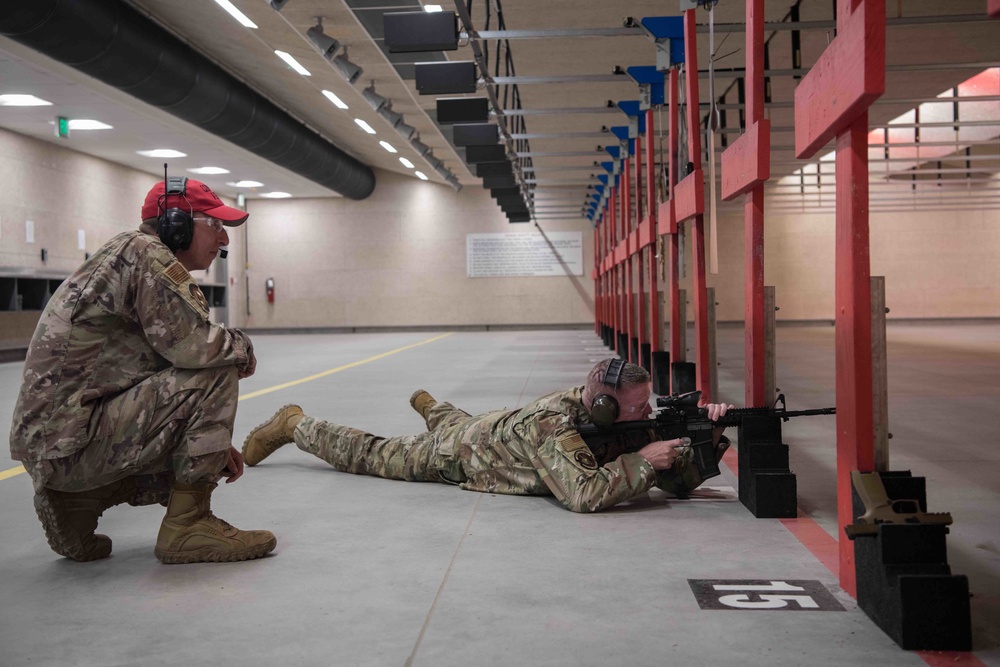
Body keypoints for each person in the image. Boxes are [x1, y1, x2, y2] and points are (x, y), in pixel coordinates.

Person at [9, 177, 276, 564]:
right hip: (74, 445)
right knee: (217, 370)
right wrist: (244, 349)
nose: (224, 240)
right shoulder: (149, 256)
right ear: (176, 225)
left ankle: (76, 503)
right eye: (215, 226)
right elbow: (194, 348)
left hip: (60, 444)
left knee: (204, 394)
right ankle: (189, 526)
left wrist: (211, 444)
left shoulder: (129, 254)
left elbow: (157, 368)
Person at [242, 359, 733, 513]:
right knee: (375, 454)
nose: (647, 413)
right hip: (459, 455)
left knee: (457, 420)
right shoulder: (552, 426)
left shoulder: (610, 417)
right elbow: (584, 494)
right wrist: (646, 459)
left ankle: (433, 407)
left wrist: (707, 437)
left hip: (487, 430)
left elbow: (673, 483)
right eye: (638, 408)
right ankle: (296, 424)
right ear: (603, 406)